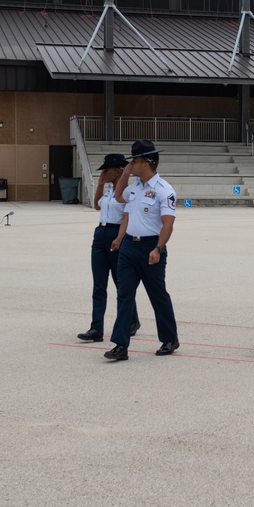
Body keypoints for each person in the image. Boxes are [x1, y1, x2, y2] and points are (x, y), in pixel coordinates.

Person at [104, 140, 180, 361]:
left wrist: (159, 248)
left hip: (150, 248)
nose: (131, 165)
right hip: (129, 246)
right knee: (124, 295)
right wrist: (126, 172)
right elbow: (119, 196)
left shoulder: (163, 190)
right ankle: (120, 344)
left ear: (145, 163)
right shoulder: (135, 187)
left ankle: (169, 338)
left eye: (134, 161)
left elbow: (168, 224)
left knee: (157, 295)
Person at [77, 153, 140, 343]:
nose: (103, 172)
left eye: (107, 169)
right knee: (99, 284)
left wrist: (120, 238)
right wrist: (101, 184)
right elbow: (96, 205)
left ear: (118, 171)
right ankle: (96, 327)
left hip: (116, 234)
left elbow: (128, 217)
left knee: (121, 282)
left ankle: (132, 319)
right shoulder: (108, 191)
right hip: (100, 233)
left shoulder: (126, 192)